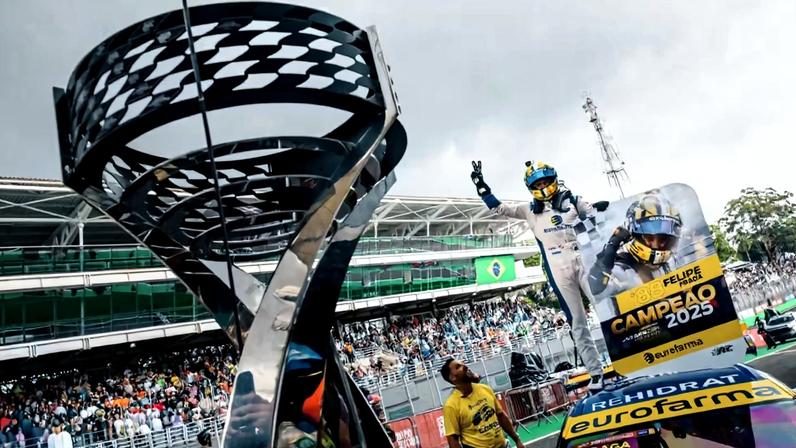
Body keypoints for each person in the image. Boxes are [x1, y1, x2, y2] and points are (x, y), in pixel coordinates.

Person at [471, 160, 606, 391]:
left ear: (554, 179)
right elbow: (501, 209)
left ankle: (625, 356)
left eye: (546, 181)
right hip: (557, 268)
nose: (543, 186)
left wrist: (601, 208)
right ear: (530, 186)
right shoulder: (529, 210)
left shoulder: (573, 200)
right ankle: (596, 373)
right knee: (578, 323)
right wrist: (483, 188)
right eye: (538, 183)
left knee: (605, 309)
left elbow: (597, 213)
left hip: (581, 259)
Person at [587, 194, 683, 309]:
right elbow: (596, 289)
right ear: (634, 234)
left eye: (664, 238)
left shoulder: (674, 261)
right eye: (650, 237)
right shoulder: (621, 268)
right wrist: (612, 245)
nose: (657, 244)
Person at [440, 358, 523, 448]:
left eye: (463, 363)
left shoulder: (485, 388)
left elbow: (501, 416)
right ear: (452, 377)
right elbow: (453, 438)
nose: (465, 366)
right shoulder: (451, 405)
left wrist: (517, 440)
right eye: (458, 367)